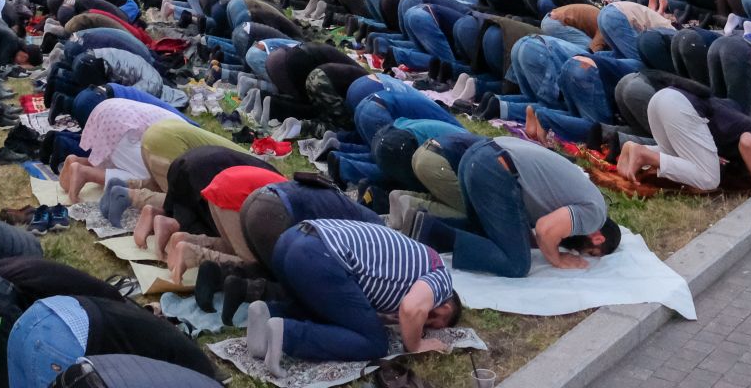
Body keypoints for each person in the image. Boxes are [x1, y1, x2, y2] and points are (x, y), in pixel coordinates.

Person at [245, 220, 461, 371]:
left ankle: (267, 313)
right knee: (375, 343)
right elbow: (412, 309)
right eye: (433, 323)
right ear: (446, 308)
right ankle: (287, 333)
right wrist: (416, 346)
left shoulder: (418, 260)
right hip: (319, 255)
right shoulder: (441, 277)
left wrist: (380, 316)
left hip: (291, 240)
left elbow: (359, 289)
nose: (424, 327)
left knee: (328, 315)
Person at [406, 136, 619, 277]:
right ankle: (433, 232)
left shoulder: (584, 197)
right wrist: (558, 259)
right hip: (496, 167)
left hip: (480, 155)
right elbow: (546, 230)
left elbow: (533, 229)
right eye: (590, 252)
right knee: (517, 264)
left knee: (485, 235)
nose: (580, 253)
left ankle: (420, 224)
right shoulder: (595, 215)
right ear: (598, 238)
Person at [617, 85, 751, 193]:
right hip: (681, 107)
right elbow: (750, 143)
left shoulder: (734, 139)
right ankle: (643, 155)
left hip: (662, 98)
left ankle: (633, 148)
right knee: (709, 179)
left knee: (675, 155)